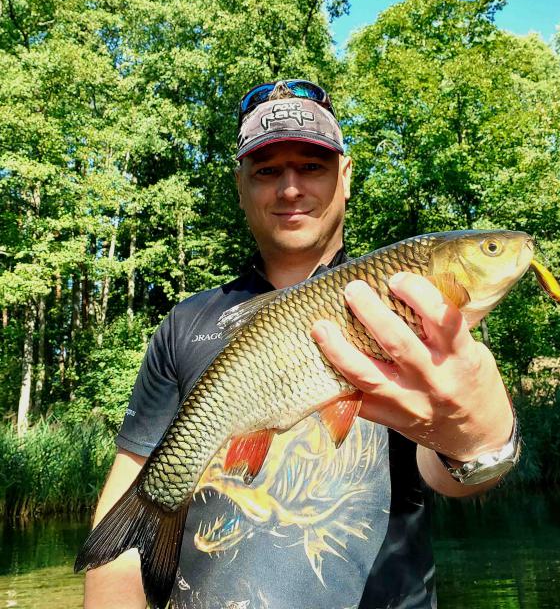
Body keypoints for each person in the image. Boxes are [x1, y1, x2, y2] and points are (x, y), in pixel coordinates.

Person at [84, 80, 519, 609]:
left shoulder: (407, 303)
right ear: (241, 185)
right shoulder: (184, 325)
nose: (290, 189)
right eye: (267, 171)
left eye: (312, 166)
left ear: (345, 176)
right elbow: (129, 497)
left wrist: (480, 440)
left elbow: (444, 473)